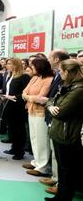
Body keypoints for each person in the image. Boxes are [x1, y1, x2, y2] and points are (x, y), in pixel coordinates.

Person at [45, 60, 83, 201]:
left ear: (67, 72)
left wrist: (51, 105)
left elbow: (61, 111)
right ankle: (60, 196)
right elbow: (50, 100)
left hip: (68, 134)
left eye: (60, 71)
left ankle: (64, 197)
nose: (59, 73)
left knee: (67, 169)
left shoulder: (79, 90)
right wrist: (50, 106)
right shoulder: (67, 86)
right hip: (59, 132)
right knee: (62, 168)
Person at [38, 49, 70, 195]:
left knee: (61, 157)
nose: (48, 60)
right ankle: (55, 178)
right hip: (51, 115)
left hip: (61, 119)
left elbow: (59, 98)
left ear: (56, 59)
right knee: (54, 151)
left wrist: (50, 104)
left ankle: (60, 183)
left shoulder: (66, 76)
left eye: (50, 57)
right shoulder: (58, 74)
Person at [22, 58, 53, 177]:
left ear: (40, 67)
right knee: (34, 138)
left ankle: (43, 167)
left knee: (41, 140)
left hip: (41, 113)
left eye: (33, 66)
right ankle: (36, 162)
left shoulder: (49, 80)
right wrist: (29, 97)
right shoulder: (35, 78)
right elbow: (24, 91)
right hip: (31, 111)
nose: (31, 68)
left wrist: (28, 97)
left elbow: (41, 97)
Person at [1, 58, 31, 160]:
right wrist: (4, 95)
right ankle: (14, 147)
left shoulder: (24, 76)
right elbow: (7, 90)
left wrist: (15, 97)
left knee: (19, 129)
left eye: (9, 64)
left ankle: (20, 151)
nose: (7, 65)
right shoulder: (10, 76)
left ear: (16, 65)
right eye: (7, 64)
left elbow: (26, 92)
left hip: (18, 106)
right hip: (9, 104)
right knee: (12, 127)